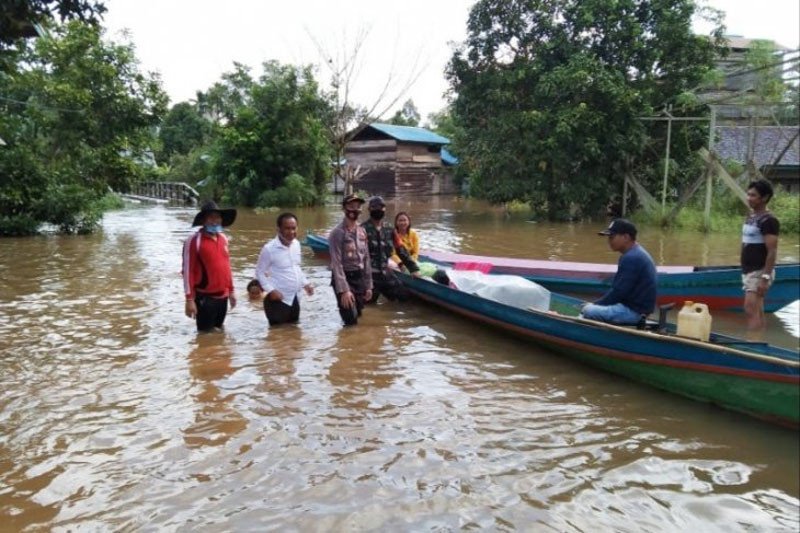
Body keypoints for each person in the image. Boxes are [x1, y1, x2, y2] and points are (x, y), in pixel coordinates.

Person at [580, 219, 657, 325]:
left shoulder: (631, 258)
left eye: (612, 237)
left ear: (626, 237)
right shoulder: (636, 252)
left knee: (588, 311)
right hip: (638, 310)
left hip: (633, 313)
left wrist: (594, 305)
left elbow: (618, 292)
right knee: (591, 307)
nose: (609, 241)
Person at [182, 201, 237, 332]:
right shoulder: (193, 241)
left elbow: (227, 267)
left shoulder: (223, 238)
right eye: (211, 217)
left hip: (223, 297)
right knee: (204, 337)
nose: (215, 221)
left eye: (217, 217)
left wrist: (231, 291)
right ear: (203, 220)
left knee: (219, 332)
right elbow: (187, 271)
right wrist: (189, 300)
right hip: (205, 299)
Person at [254, 212, 314, 326]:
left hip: (295, 298)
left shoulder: (296, 244)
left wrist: (306, 284)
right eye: (287, 228)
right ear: (279, 229)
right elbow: (259, 273)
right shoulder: (269, 249)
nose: (291, 232)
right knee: (277, 337)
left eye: (293, 228)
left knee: (295, 335)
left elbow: (296, 267)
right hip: (278, 301)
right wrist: (271, 291)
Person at [361, 196, 420, 304]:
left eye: (381, 207)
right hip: (368, 276)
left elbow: (400, 249)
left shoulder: (389, 229)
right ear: (369, 209)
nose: (378, 210)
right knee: (367, 306)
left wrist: (413, 268)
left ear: (385, 209)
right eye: (375, 207)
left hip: (385, 273)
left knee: (404, 297)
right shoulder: (362, 229)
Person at [741, 179, 780, 333]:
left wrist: (765, 277)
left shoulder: (769, 220)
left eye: (753, 195)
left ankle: (753, 345)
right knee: (757, 310)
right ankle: (761, 341)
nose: (749, 198)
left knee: (750, 309)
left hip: (759, 271)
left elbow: (772, 251)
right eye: (748, 194)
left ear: (764, 198)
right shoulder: (752, 216)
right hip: (749, 270)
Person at [329, 194, 372, 326]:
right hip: (343, 278)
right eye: (351, 206)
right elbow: (336, 263)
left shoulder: (362, 231)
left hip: (358, 277)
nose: (355, 210)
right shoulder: (337, 233)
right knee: (350, 320)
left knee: (358, 314)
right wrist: (344, 290)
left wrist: (369, 285)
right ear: (344, 208)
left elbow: (366, 259)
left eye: (358, 207)